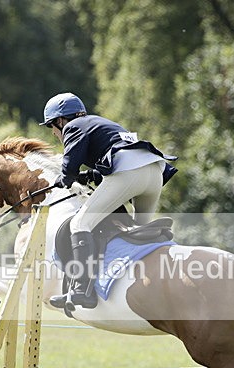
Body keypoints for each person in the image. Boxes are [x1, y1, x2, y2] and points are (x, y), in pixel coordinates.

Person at [40, 92, 177, 311]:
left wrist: (64, 178)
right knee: (138, 230)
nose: (55, 133)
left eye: (52, 127)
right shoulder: (100, 122)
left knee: (79, 224)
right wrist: (89, 175)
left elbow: (69, 166)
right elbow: (113, 156)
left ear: (60, 120)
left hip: (130, 172)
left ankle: (81, 290)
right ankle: (152, 281)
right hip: (154, 172)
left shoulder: (73, 127)